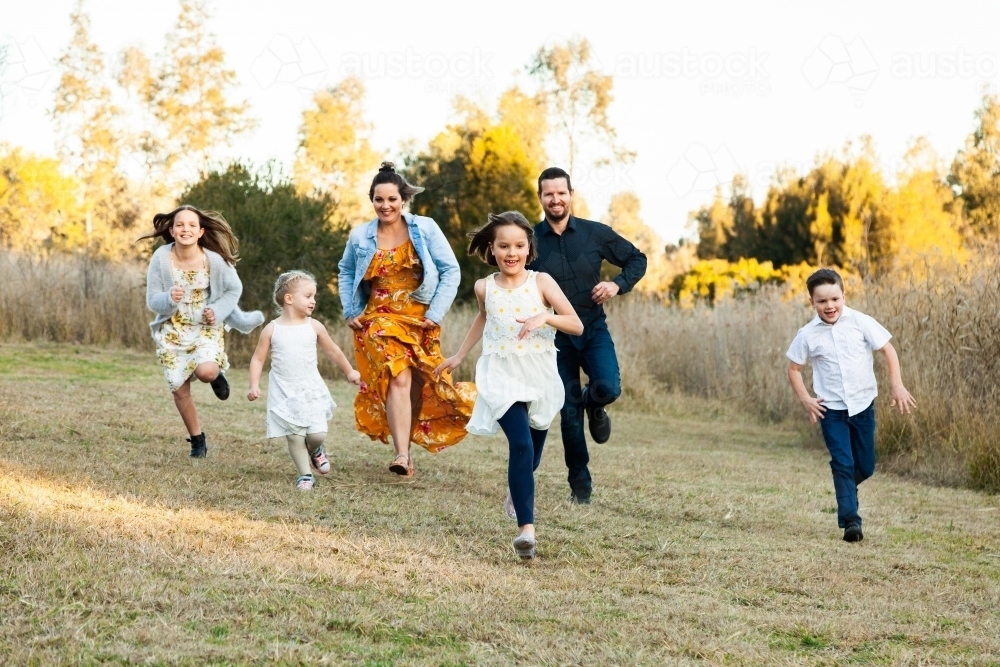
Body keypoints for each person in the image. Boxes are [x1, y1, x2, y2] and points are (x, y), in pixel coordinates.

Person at [436, 212, 583, 559]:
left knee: (532, 449)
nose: (511, 252)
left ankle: (517, 491)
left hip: (540, 373)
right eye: (504, 245)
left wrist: (545, 316)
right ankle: (526, 533)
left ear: (529, 247)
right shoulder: (484, 287)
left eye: (518, 245)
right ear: (492, 248)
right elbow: (484, 317)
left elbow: (575, 324)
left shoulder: (542, 282)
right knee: (520, 444)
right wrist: (458, 356)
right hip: (500, 373)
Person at [338, 162, 476, 476]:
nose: (385, 206)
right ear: (371, 199)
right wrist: (350, 309)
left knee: (418, 387)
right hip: (379, 317)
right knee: (398, 377)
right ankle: (400, 455)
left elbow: (450, 271)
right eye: (378, 199)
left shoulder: (425, 228)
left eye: (392, 199)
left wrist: (436, 313)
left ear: (404, 200)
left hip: (421, 318)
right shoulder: (361, 235)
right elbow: (346, 271)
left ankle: (407, 454)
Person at [527, 167, 647, 504]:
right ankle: (580, 487)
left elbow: (637, 259)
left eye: (560, 193)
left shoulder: (595, 234)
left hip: (593, 328)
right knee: (567, 414)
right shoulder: (530, 240)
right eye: (548, 194)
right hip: (554, 338)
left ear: (571, 195)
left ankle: (595, 406)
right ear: (540, 198)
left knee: (608, 387)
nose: (555, 199)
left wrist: (616, 284)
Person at [786, 268, 916, 542]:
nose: (829, 306)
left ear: (843, 296)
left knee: (866, 467)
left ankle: (845, 488)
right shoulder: (808, 334)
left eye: (834, 299)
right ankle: (851, 521)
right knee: (843, 462)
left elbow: (887, 350)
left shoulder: (860, 322)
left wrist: (897, 384)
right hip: (830, 409)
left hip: (862, 406)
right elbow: (794, 369)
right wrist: (806, 399)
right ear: (812, 303)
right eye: (822, 301)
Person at [140, 205, 264, 458]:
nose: (186, 229)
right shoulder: (161, 258)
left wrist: (216, 311)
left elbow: (233, 290)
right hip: (172, 330)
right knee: (179, 388)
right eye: (180, 225)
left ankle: (215, 374)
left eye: (192, 225)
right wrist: (168, 298)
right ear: (172, 231)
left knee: (206, 371)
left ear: (200, 231)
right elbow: (153, 300)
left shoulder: (213, 260)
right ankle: (197, 440)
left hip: (205, 326)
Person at [246, 271, 362, 490]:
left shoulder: (314, 326)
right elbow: (258, 358)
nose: (313, 301)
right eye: (308, 296)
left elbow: (333, 351)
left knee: (317, 434)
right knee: (294, 437)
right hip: (284, 389)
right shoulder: (272, 329)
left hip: (310, 387)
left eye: (314, 296)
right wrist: (254, 385)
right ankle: (306, 475)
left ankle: (316, 449)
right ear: (289, 299)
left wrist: (350, 371)